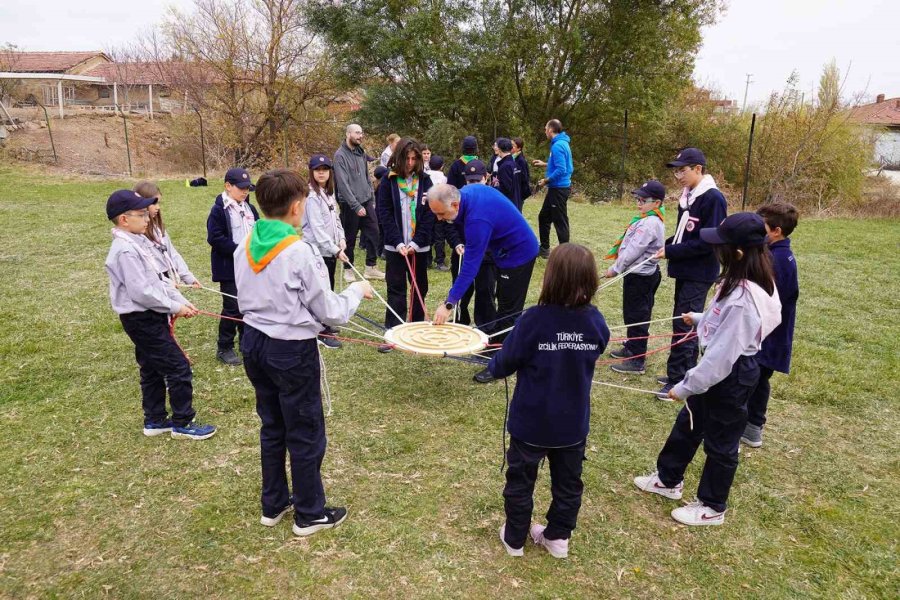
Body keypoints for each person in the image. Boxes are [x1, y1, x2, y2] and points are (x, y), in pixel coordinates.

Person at [234, 168, 374, 536]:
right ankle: (310, 512)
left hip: (254, 343)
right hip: (290, 352)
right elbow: (330, 311)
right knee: (306, 430)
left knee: (273, 424)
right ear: (298, 208)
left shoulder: (245, 243)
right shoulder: (299, 253)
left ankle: (274, 501)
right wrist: (356, 293)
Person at [634, 213, 781, 527]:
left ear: (737, 253)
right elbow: (727, 321)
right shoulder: (742, 279)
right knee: (689, 423)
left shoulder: (745, 297)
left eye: (721, 246)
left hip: (732, 375)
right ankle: (668, 479)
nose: (715, 249)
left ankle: (713, 506)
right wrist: (702, 318)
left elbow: (720, 359)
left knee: (721, 441)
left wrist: (685, 385)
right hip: (722, 367)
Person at [489, 243, 610, 559]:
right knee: (568, 484)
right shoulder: (595, 321)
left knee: (521, 482)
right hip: (572, 425)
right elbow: (598, 345)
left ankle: (516, 539)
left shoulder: (534, 320)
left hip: (532, 423)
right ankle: (557, 538)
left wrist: (494, 364)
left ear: (550, 278)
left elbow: (504, 362)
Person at [104, 189, 216, 440]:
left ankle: (154, 420)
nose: (147, 218)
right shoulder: (125, 251)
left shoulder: (139, 243)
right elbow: (142, 292)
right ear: (124, 219)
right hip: (141, 318)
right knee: (178, 367)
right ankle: (182, 422)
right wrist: (175, 307)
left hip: (152, 314)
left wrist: (181, 301)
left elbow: (160, 280)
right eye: (142, 214)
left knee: (152, 367)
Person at [429, 181, 540, 384]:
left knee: (509, 310)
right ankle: (495, 349)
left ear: (454, 205)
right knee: (503, 304)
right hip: (501, 251)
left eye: (441, 214)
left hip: (519, 254)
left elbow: (470, 268)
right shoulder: (465, 194)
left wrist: (449, 303)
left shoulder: (477, 220)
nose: (439, 219)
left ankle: (500, 365)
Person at [654, 148, 728, 399]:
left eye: (683, 170)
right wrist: (667, 245)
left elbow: (708, 242)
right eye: (676, 171)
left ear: (698, 169)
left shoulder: (712, 198)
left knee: (685, 323)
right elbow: (684, 234)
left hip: (699, 271)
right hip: (685, 268)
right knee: (680, 319)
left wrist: (672, 251)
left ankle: (679, 380)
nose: (679, 176)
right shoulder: (688, 196)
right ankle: (678, 371)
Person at [742, 202, 800, 448]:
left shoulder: (778, 261)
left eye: (761, 227)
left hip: (767, 336)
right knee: (758, 380)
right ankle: (752, 427)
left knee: (750, 380)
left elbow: (765, 302)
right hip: (767, 335)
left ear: (775, 231)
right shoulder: (774, 253)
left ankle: (748, 426)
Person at [604, 180, 666, 374]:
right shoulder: (645, 219)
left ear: (656, 203)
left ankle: (637, 360)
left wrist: (615, 268)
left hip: (641, 277)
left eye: (643, 200)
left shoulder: (650, 223)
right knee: (631, 313)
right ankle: (631, 346)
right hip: (635, 275)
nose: (639, 203)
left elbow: (633, 250)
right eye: (637, 199)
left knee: (638, 315)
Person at [376, 138, 435, 330]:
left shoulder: (426, 181)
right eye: (406, 159)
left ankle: (417, 326)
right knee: (396, 287)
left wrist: (416, 243)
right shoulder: (388, 180)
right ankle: (395, 328)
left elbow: (430, 213)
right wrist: (399, 243)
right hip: (396, 246)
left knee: (419, 287)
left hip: (419, 245)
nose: (410, 163)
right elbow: (384, 213)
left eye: (414, 159)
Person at [206, 168, 260, 366]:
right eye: (241, 188)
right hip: (229, 267)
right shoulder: (219, 210)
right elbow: (215, 238)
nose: (245, 192)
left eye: (247, 189)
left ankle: (246, 341)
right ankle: (224, 346)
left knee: (249, 305)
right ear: (228, 186)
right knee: (232, 307)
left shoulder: (249, 209)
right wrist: (239, 251)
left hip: (250, 266)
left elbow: (258, 230)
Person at [443, 160, 498, 329]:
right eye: (470, 181)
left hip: (487, 255)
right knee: (461, 290)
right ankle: (460, 323)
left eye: (477, 180)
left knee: (485, 293)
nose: (474, 184)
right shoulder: (457, 199)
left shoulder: (494, 198)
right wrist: (456, 243)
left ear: (486, 178)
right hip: (462, 253)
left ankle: (486, 329)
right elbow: (448, 225)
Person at [301, 153, 348, 350]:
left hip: (329, 250)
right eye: (317, 170)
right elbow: (318, 229)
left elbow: (335, 219)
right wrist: (336, 250)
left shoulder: (327, 193)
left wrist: (342, 238)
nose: (321, 173)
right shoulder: (311, 196)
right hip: (317, 251)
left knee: (327, 289)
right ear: (312, 172)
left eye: (325, 170)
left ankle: (324, 322)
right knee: (319, 291)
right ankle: (320, 332)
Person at [334, 123, 385, 282]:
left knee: (374, 232)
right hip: (349, 204)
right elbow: (342, 184)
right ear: (348, 134)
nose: (360, 136)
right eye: (357, 133)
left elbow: (366, 177)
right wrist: (355, 206)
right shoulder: (340, 156)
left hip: (366, 201)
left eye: (361, 133)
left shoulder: (361, 153)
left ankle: (371, 268)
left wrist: (371, 197)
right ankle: (349, 269)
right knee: (349, 238)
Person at [133, 181, 202, 290]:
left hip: (164, 278)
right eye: (154, 203)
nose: (158, 207)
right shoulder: (137, 235)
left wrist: (189, 277)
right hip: (152, 283)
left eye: (159, 203)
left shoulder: (158, 229)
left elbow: (172, 254)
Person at [532, 119, 573, 258]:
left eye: (545, 129)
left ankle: (565, 254)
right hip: (555, 189)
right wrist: (544, 164)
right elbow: (558, 164)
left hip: (559, 189)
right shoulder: (561, 143)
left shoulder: (558, 146)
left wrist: (546, 180)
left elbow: (562, 169)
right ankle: (544, 249)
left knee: (560, 221)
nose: (544, 131)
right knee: (543, 217)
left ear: (550, 130)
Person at [426, 155, 451, 271]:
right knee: (439, 236)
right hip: (439, 209)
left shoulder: (424, 176)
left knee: (427, 234)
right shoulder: (444, 179)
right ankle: (440, 261)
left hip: (426, 208)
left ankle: (427, 260)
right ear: (442, 166)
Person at [493, 137, 523, 211]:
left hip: (509, 206)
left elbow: (506, 189)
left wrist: (492, 188)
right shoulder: (514, 163)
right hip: (516, 202)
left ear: (499, 149)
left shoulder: (505, 166)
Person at [512, 137, 532, 205]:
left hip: (519, 191)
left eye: (513, 145)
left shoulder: (521, 160)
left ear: (519, 148)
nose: (511, 147)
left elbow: (524, 177)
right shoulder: (513, 158)